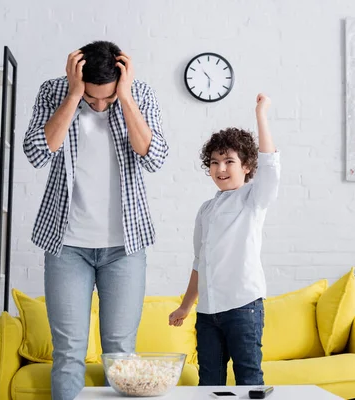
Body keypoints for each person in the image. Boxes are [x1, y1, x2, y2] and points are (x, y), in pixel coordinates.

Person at [23, 40, 168, 400]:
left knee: (119, 350)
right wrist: (74, 98)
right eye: (92, 99)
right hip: (66, 246)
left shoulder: (139, 93)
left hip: (125, 247)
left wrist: (127, 98)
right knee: (69, 352)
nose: (100, 106)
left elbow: (155, 158)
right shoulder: (54, 92)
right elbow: (36, 153)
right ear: (76, 76)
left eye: (108, 99)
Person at [168, 93, 280, 386]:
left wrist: (261, 115)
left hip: (243, 307)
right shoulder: (206, 210)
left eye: (229, 161)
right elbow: (199, 263)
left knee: (248, 379)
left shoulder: (253, 199)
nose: (220, 169)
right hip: (207, 314)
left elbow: (270, 165)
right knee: (209, 383)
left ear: (246, 166)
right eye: (215, 162)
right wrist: (186, 306)